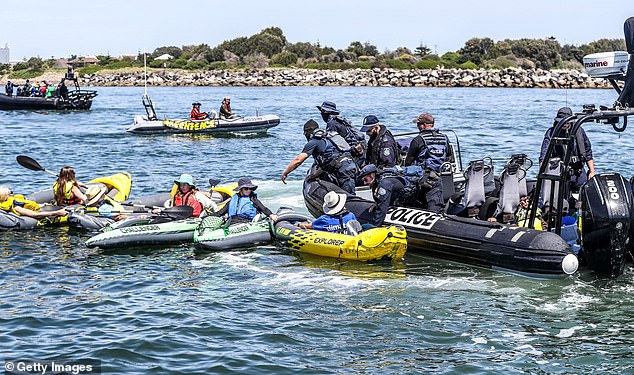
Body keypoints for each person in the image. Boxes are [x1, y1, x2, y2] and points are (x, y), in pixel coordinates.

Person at [281, 119, 358, 194]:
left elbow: (298, 160)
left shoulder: (313, 142)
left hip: (344, 170)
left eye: (305, 132)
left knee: (349, 197)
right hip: (348, 166)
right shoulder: (327, 138)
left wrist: (286, 173)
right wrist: (314, 175)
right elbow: (328, 162)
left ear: (306, 132)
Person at [539, 107, 595, 201]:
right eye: (563, 122)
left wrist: (592, 171)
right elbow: (543, 156)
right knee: (561, 199)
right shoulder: (551, 133)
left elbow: (588, 151)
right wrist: (543, 174)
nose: (565, 124)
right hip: (560, 173)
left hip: (579, 172)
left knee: (585, 197)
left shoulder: (579, 131)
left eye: (567, 122)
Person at [404, 113, 451, 212]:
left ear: (424, 125)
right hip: (439, 176)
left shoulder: (418, 140)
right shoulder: (444, 138)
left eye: (418, 124)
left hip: (423, 177)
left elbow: (408, 162)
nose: (417, 127)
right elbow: (448, 157)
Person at [317, 101, 366, 167]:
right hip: (359, 150)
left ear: (330, 112)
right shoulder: (338, 120)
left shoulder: (332, 123)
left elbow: (333, 143)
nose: (321, 113)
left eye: (323, 111)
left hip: (354, 153)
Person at [0, 186, 67, 219]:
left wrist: (42, 204)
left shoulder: (8, 201)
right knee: (64, 207)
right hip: (40, 212)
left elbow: (27, 205)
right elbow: (34, 214)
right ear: (5, 196)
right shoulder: (16, 206)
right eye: (10, 193)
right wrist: (58, 212)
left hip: (39, 207)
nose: (12, 194)